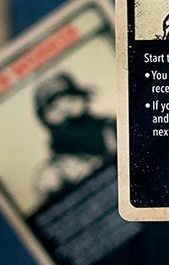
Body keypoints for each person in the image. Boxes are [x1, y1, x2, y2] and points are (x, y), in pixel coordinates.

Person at [32, 72, 116, 202]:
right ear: (45, 119)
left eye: (69, 100)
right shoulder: (53, 173)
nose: (65, 110)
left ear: (83, 99)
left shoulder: (115, 129)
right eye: (54, 107)